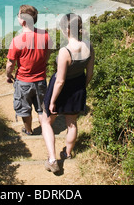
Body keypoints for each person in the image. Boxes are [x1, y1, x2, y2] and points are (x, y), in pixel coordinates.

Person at [40, 13, 94, 173]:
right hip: (78, 87)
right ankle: (67, 153)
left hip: (60, 90)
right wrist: (81, 88)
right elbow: (89, 73)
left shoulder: (65, 51)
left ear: (65, 30)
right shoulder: (89, 46)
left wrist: (52, 101)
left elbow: (60, 81)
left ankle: (52, 159)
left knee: (46, 121)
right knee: (71, 123)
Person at [6, 5, 53, 136]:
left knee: (24, 109)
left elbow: (10, 64)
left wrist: (8, 76)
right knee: (41, 108)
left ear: (23, 21)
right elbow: (47, 54)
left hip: (23, 81)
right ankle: (46, 130)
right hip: (40, 79)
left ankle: (29, 130)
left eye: (18, 15)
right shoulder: (45, 35)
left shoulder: (16, 41)